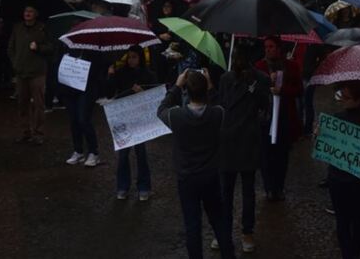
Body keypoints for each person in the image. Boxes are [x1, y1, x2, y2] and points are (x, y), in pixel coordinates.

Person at [157, 69, 234, 259]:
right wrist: (211, 86)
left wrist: (176, 86)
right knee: (218, 220)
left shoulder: (176, 116)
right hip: (210, 176)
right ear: (205, 90)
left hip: (187, 177)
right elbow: (222, 106)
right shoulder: (217, 114)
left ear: (187, 92)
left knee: (192, 225)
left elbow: (161, 110)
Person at [217, 48, 270, 253]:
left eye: (241, 58)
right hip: (227, 142)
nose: (237, 62)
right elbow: (222, 103)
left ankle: (247, 232)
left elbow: (264, 105)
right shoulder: (225, 78)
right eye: (235, 58)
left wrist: (252, 86)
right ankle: (223, 231)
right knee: (225, 192)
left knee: (248, 192)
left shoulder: (261, 79)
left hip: (248, 141)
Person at [326, 82, 360, 259]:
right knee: (343, 220)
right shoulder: (338, 117)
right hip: (338, 178)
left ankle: (352, 254)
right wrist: (320, 136)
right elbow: (328, 146)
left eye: (347, 97)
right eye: (342, 96)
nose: (343, 100)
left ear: (359, 99)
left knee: (356, 220)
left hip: (356, 180)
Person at [254, 36, 302, 201]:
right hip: (266, 117)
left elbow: (298, 90)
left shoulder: (291, 66)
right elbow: (255, 92)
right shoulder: (259, 67)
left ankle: (279, 187)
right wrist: (269, 85)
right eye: (266, 47)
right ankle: (269, 187)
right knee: (266, 154)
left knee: (282, 155)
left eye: (271, 46)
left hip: (284, 117)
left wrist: (282, 90)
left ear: (279, 48)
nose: (268, 50)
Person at [107, 45, 154, 200]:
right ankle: (122, 186)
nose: (131, 60)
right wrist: (111, 76)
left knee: (141, 153)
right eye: (130, 56)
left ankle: (144, 187)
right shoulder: (120, 73)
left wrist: (143, 92)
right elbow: (110, 93)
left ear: (140, 58)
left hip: (140, 118)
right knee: (123, 154)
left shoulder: (147, 74)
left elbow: (155, 94)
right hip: (124, 118)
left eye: (135, 57)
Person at [8, 6, 53, 145]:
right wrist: (15, 63)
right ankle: (25, 132)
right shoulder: (17, 28)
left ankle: (39, 133)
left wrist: (39, 47)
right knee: (22, 103)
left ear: (36, 14)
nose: (27, 14)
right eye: (25, 11)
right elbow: (11, 47)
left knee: (38, 104)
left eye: (31, 11)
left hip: (37, 72)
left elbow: (51, 47)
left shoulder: (42, 28)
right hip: (21, 71)